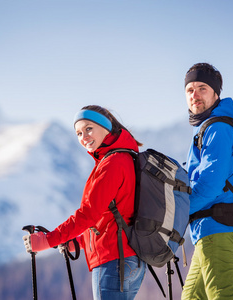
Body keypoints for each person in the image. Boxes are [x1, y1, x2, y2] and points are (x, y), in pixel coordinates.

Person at [23, 105, 146, 300]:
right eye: (79, 133)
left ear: (106, 127)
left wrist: (48, 240)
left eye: (89, 128)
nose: (84, 137)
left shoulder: (113, 163)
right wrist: (77, 243)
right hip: (124, 258)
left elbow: (88, 214)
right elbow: (111, 218)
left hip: (114, 260)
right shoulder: (120, 158)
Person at [181, 63, 233, 300]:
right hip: (210, 227)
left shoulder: (217, 128)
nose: (195, 95)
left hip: (218, 225)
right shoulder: (206, 127)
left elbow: (210, 184)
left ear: (216, 93)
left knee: (222, 296)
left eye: (202, 88)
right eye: (190, 90)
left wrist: (178, 212)